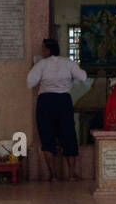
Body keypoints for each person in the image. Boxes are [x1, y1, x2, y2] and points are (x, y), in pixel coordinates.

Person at [27, 37, 87, 181]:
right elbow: (83, 77)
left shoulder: (41, 64)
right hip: (63, 101)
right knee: (68, 136)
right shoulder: (68, 63)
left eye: (43, 48)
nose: (42, 51)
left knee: (47, 137)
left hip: (45, 101)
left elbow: (30, 81)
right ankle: (71, 174)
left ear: (47, 50)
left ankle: (53, 175)